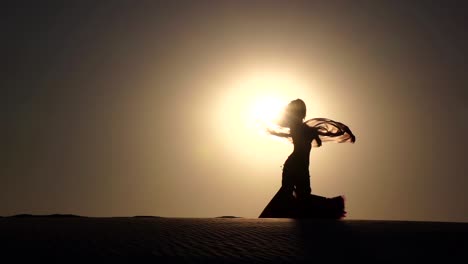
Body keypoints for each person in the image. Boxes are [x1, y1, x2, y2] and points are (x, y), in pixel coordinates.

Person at [260, 98, 355, 218]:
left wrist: (318, 134)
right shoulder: (298, 127)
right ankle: (274, 219)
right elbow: (319, 139)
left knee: (300, 194)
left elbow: (319, 139)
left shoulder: (303, 128)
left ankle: (281, 217)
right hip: (296, 164)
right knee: (292, 193)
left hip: (300, 165)